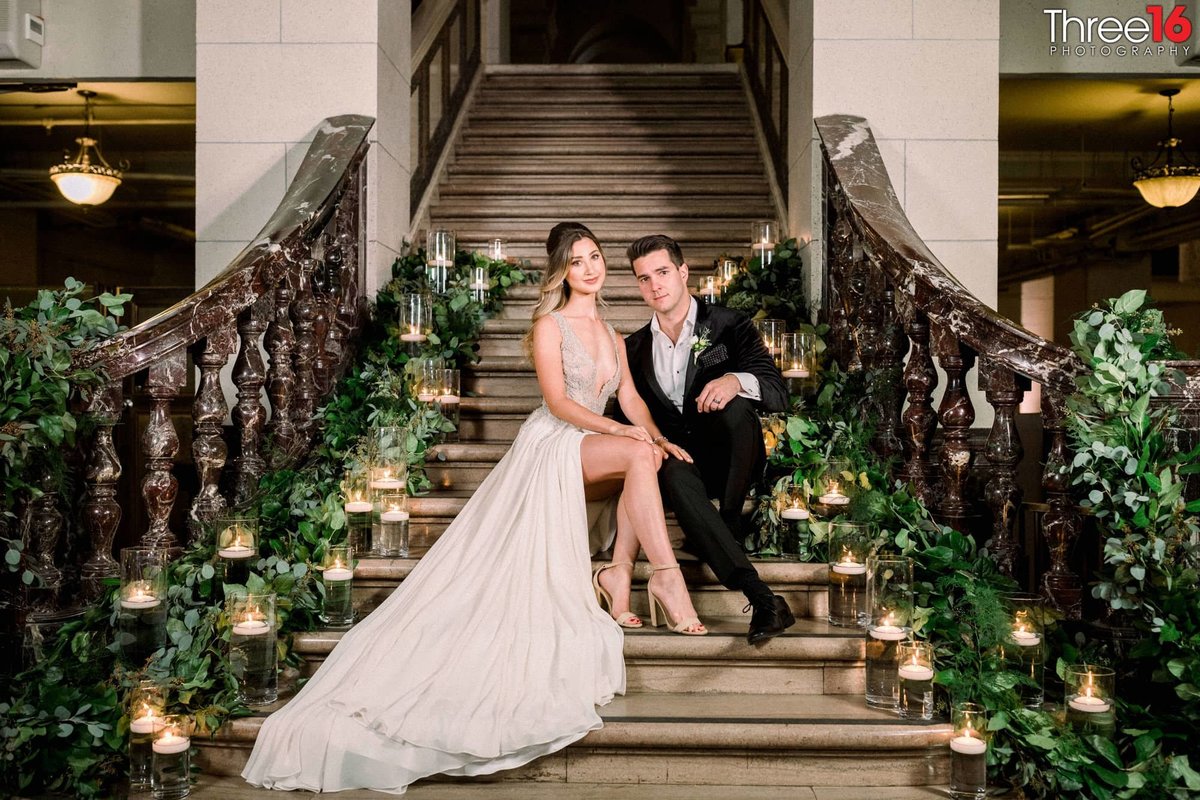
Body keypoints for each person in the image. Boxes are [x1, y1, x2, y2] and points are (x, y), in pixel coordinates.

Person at [241, 222, 704, 794]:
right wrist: (624, 432)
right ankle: (664, 577)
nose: (590, 268)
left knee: (646, 457)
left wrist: (655, 436)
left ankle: (618, 571)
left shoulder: (611, 330)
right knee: (636, 456)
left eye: (595, 257)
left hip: (594, 441)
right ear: (560, 271)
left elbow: (631, 396)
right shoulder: (548, 326)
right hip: (555, 442)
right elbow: (559, 403)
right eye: (577, 260)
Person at [621, 233, 794, 645]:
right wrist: (653, 442)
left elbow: (776, 389)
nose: (654, 285)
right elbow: (625, 414)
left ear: (683, 272)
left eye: (662, 272)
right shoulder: (632, 348)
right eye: (643, 278)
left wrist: (734, 379)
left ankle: (730, 520)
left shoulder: (730, 325)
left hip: (732, 456)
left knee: (736, 407)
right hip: (681, 467)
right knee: (672, 471)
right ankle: (764, 598)